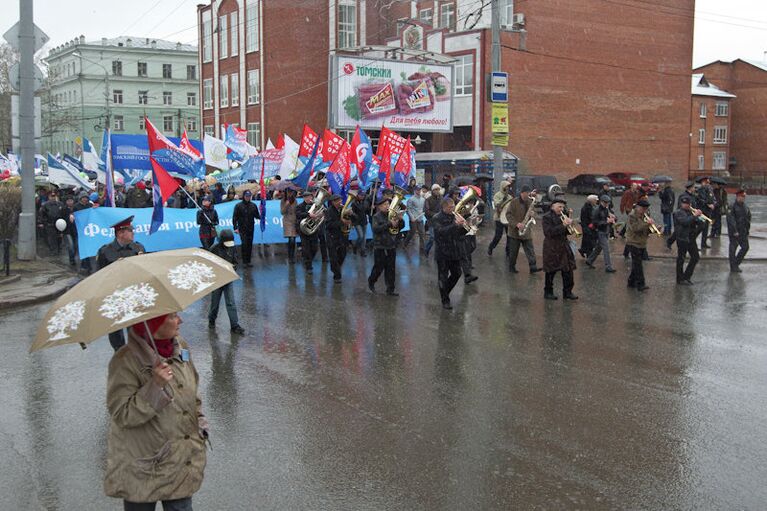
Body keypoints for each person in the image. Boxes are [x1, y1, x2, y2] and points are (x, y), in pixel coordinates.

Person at [105, 312, 208, 510]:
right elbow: (122, 414)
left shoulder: (180, 346)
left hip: (180, 459)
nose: (180, 320)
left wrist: (200, 422)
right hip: (143, 465)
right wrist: (155, 386)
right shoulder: (124, 360)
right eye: (172, 316)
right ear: (153, 324)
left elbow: (192, 391)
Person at [97, 216, 146, 351]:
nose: (133, 232)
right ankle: (120, 355)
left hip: (134, 295)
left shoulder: (138, 248)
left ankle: (136, 356)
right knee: (116, 331)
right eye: (130, 230)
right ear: (120, 233)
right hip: (115, 296)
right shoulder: (105, 252)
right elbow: (100, 276)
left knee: (136, 330)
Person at [432, 197, 467, 309]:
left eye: (453, 206)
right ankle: (445, 300)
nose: (453, 209)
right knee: (442, 276)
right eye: (450, 207)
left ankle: (445, 292)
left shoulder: (454, 216)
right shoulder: (436, 218)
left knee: (457, 273)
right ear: (444, 207)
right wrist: (455, 225)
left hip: (454, 250)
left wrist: (465, 227)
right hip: (442, 251)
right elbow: (441, 232)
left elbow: (459, 234)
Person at [208, 230, 245, 334]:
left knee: (231, 302)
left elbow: (235, 261)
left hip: (228, 279)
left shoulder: (232, 248)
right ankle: (211, 319)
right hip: (217, 280)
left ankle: (234, 325)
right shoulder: (214, 249)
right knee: (215, 303)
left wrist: (233, 268)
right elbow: (208, 265)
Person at [542, 198, 578, 300]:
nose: (561, 209)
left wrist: (569, 225)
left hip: (563, 246)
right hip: (552, 247)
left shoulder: (563, 216)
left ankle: (568, 292)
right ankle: (548, 292)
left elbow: (568, 233)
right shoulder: (547, 217)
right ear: (553, 206)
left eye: (562, 207)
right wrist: (563, 225)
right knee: (551, 271)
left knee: (568, 270)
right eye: (559, 206)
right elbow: (549, 232)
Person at [368, 197, 404, 296]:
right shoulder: (376, 216)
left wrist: (400, 220)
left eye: (388, 204)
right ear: (379, 206)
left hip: (391, 245)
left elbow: (400, 227)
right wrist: (389, 223)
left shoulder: (392, 215)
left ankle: (390, 289)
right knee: (378, 268)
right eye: (384, 204)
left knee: (391, 269)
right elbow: (376, 229)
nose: (387, 206)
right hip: (380, 246)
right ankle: (371, 281)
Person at [505, 185, 541, 274]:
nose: (528, 195)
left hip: (526, 230)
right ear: (522, 193)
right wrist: (516, 224)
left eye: (529, 193)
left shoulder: (530, 201)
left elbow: (535, 213)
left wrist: (533, 214)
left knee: (530, 250)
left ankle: (533, 267)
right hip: (514, 232)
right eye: (526, 193)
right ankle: (511, 267)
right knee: (513, 251)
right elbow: (508, 215)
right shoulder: (514, 202)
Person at [625, 199, 654, 291]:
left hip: (642, 243)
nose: (645, 211)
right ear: (638, 207)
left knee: (636, 264)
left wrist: (652, 229)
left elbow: (645, 229)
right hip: (633, 242)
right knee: (638, 264)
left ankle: (631, 282)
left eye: (646, 209)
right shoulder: (632, 216)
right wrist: (647, 224)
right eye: (643, 208)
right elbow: (635, 228)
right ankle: (641, 284)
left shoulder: (645, 215)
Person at [673, 196, 702, 285]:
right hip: (682, 238)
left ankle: (687, 276)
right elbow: (685, 222)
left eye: (688, 204)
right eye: (685, 203)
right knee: (681, 259)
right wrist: (694, 215)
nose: (687, 205)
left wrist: (700, 218)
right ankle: (680, 279)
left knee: (695, 257)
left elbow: (696, 222)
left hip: (690, 238)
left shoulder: (690, 212)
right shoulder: (678, 213)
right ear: (681, 204)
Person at [324, 194, 353, 282]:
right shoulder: (329, 211)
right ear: (333, 202)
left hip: (342, 236)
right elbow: (328, 225)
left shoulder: (343, 209)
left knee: (343, 254)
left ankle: (336, 268)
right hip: (332, 236)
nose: (340, 202)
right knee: (333, 256)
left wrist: (351, 215)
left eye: (340, 200)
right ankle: (337, 275)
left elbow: (353, 219)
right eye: (337, 201)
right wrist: (341, 222)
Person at [585, 195, 617, 273]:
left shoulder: (606, 210)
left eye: (608, 203)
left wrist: (613, 218)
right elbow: (595, 222)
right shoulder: (596, 210)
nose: (607, 204)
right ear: (601, 202)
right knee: (606, 249)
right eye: (605, 203)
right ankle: (608, 266)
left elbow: (607, 218)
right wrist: (606, 222)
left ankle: (589, 260)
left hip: (606, 230)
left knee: (598, 248)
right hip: (600, 231)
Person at [295, 190, 321, 274]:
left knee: (314, 248)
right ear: (303, 198)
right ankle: (308, 266)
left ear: (311, 197)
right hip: (303, 229)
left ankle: (309, 260)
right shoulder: (300, 206)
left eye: (309, 196)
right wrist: (308, 214)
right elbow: (298, 214)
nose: (308, 198)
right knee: (306, 248)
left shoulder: (316, 205)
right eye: (306, 197)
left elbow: (323, 211)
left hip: (314, 229)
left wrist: (320, 215)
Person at [232, 190, 260, 266]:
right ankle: (244, 261)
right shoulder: (238, 206)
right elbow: (235, 217)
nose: (248, 198)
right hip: (242, 228)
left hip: (251, 227)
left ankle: (248, 261)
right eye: (246, 196)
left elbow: (257, 216)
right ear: (244, 196)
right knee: (244, 244)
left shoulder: (253, 205)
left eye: (249, 196)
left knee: (250, 244)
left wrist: (262, 212)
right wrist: (235, 227)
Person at [727, 189, 751, 273]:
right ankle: (733, 267)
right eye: (742, 196)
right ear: (737, 197)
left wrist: (747, 230)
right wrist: (734, 230)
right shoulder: (732, 206)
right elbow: (731, 219)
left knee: (745, 247)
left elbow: (748, 219)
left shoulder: (745, 206)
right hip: (735, 231)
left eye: (744, 197)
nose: (743, 198)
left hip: (743, 231)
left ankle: (736, 263)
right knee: (733, 249)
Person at [487, 180, 513, 257]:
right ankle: (491, 247)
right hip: (499, 219)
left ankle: (508, 251)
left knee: (509, 236)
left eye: (508, 187)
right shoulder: (497, 195)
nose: (508, 188)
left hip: (507, 219)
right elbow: (496, 205)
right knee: (498, 236)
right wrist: (503, 200)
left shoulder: (510, 197)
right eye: (506, 187)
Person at [39, 190, 66, 255]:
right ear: (49, 197)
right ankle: (53, 250)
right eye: (51, 196)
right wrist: (41, 222)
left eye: (54, 196)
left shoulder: (60, 204)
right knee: (51, 237)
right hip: (50, 223)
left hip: (59, 223)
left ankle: (59, 248)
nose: (53, 198)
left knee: (59, 237)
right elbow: (42, 214)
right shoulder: (45, 205)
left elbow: (64, 213)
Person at [404, 186, 427, 253]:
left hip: (420, 219)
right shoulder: (411, 199)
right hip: (413, 219)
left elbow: (423, 209)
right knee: (412, 233)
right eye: (417, 190)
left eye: (420, 190)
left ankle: (422, 248)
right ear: (415, 190)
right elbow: (408, 209)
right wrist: (411, 217)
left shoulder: (423, 199)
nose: (419, 191)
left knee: (422, 233)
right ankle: (405, 244)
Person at [423, 184, 442, 256]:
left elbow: (443, 207)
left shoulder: (441, 198)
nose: (437, 191)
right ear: (432, 190)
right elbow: (426, 211)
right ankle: (426, 250)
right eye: (435, 189)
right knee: (432, 237)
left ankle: (437, 254)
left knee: (439, 238)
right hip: (431, 221)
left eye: (438, 189)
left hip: (440, 221)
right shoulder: (428, 199)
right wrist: (434, 215)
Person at [696, 177, 715, 249]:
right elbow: (701, 199)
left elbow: (713, 198)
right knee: (700, 227)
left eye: (708, 182)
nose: (707, 183)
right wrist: (708, 204)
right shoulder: (701, 189)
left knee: (706, 228)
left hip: (708, 211)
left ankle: (703, 243)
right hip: (702, 211)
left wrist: (713, 204)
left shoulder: (710, 189)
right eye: (705, 182)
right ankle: (692, 240)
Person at [280, 189, 298, 263]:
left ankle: (292, 255)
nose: (290, 194)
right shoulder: (283, 201)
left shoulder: (295, 201)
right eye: (288, 192)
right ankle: (290, 256)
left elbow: (296, 210)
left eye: (291, 192)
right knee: (291, 239)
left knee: (293, 239)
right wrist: (287, 204)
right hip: (287, 221)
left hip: (294, 221)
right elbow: (282, 212)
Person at [350, 191, 368, 257]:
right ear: (358, 195)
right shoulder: (354, 203)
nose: (362, 196)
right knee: (361, 236)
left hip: (364, 221)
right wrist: (353, 216)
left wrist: (372, 208)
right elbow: (352, 213)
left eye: (363, 195)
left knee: (364, 238)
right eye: (361, 195)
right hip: (357, 222)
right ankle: (355, 246)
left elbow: (367, 210)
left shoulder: (366, 202)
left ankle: (363, 251)